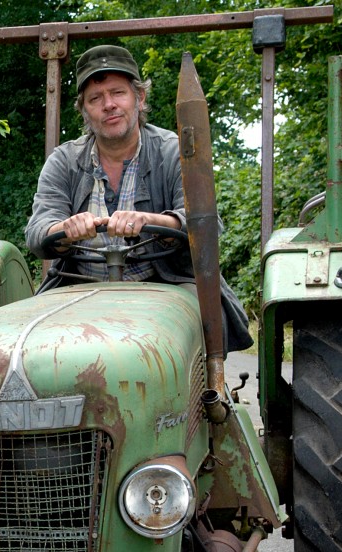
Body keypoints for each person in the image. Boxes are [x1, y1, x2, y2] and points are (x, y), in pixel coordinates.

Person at [24, 44, 252, 352]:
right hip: (77, 289)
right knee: (28, 343)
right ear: (84, 110)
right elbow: (38, 231)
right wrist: (64, 231)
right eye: (95, 98)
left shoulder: (173, 151)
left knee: (192, 330)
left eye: (118, 93)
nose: (109, 105)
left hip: (165, 283)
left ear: (139, 98)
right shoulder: (64, 161)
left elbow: (204, 223)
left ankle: (207, 392)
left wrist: (151, 221)